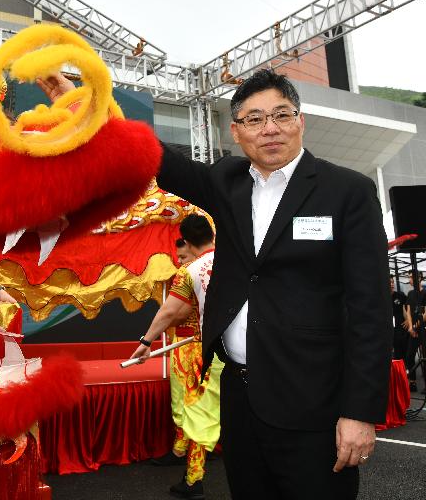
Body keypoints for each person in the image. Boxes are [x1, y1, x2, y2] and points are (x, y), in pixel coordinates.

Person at [154, 69, 390, 499]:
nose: (270, 129)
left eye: (282, 115)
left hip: (314, 404)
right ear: (237, 130)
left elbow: (370, 308)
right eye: (255, 119)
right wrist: (88, 106)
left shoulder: (347, 191)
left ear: (300, 121)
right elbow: (159, 162)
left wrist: (359, 412)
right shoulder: (226, 181)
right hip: (241, 399)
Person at [130, 214, 221, 500]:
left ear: (189, 243)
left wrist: (146, 341)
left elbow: (172, 311)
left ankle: (194, 480)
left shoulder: (191, 270)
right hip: (247, 349)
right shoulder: (237, 260)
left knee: (198, 413)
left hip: (205, 350)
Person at [404, 272, 425, 391]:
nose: (409, 279)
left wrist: (416, 327)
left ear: (419, 278)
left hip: (423, 329)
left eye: (411, 277)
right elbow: (408, 311)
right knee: (409, 356)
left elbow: (425, 313)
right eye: (409, 277)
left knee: (424, 357)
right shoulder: (410, 293)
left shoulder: (425, 293)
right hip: (413, 330)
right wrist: (411, 327)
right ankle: (412, 382)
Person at [391, 274, 408, 361]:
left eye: (392, 282)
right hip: (389, 330)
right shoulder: (382, 297)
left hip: (401, 328)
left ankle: (405, 371)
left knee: (402, 353)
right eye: (389, 282)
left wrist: (408, 320)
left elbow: (407, 308)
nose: (392, 284)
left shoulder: (400, 296)